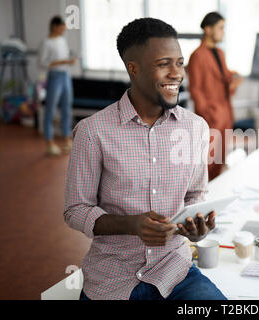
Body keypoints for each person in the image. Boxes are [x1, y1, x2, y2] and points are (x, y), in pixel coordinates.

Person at [64, 18, 226, 300]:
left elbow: (195, 194)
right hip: (112, 278)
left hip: (175, 272)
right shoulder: (93, 131)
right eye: (164, 64)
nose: (176, 73)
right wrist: (132, 225)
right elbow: (76, 209)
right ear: (134, 69)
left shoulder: (195, 127)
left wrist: (196, 228)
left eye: (180, 63)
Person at [188, 12, 243, 180]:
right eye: (220, 28)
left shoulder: (220, 53)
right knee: (208, 162)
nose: (223, 32)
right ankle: (202, 202)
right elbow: (195, 89)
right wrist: (207, 115)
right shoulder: (197, 56)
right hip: (211, 116)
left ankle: (215, 201)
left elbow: (224, 83)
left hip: (225, 114)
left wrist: (234, 82)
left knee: (220, 160)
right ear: (208, 29)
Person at [39, 16, 76, 156]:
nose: (63, 31)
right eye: (61, 28)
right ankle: (49, 142)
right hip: (54, 77)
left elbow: (64, 57)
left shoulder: (62, 40)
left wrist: (68, 61)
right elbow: (41, 63)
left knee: (67, 107)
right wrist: (61, 62)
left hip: (66, 75)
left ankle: (67, 139)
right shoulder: (46, 42)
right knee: (50, 109)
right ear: (54, 26)